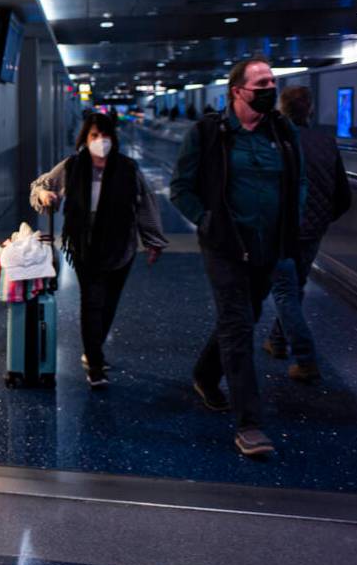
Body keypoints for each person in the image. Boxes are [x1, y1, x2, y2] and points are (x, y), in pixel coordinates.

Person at [170, 58, 305, 457]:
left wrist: (292, 221)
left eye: (272, 81)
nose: (269, 88)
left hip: (269, 246)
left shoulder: (282, 131)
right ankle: (250, 424)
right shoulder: (209, 133)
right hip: (226, 247)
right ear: (237, 91)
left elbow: (300, 180)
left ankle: (204, 374)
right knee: (238, 324)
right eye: (261, 83)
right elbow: (181, 187)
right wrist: (206, 221)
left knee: (248, 314)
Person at [30, 113, 168, 389]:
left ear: (113, 139)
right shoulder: (73, 166)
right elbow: (40, 185)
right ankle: (95, 362)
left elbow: (145, 204)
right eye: (94, 136)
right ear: (85, 138)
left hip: (121, 246)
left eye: (105, 136)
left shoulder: (127, 168)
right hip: (85, 244)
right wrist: (45, 195)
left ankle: (94, 347)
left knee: (109, 304)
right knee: (92, 302)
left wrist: (153, 240)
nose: (100, 141)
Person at [262, 86, 352, 381]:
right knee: (294, 285)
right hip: (313, 230)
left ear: (282, 108)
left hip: (282, 230)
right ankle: (276, 341)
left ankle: (306, 358)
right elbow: (343, 195)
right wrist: (322, 219)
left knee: (285, 290)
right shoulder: (326, 141)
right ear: (310, 110)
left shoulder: (276, 140)